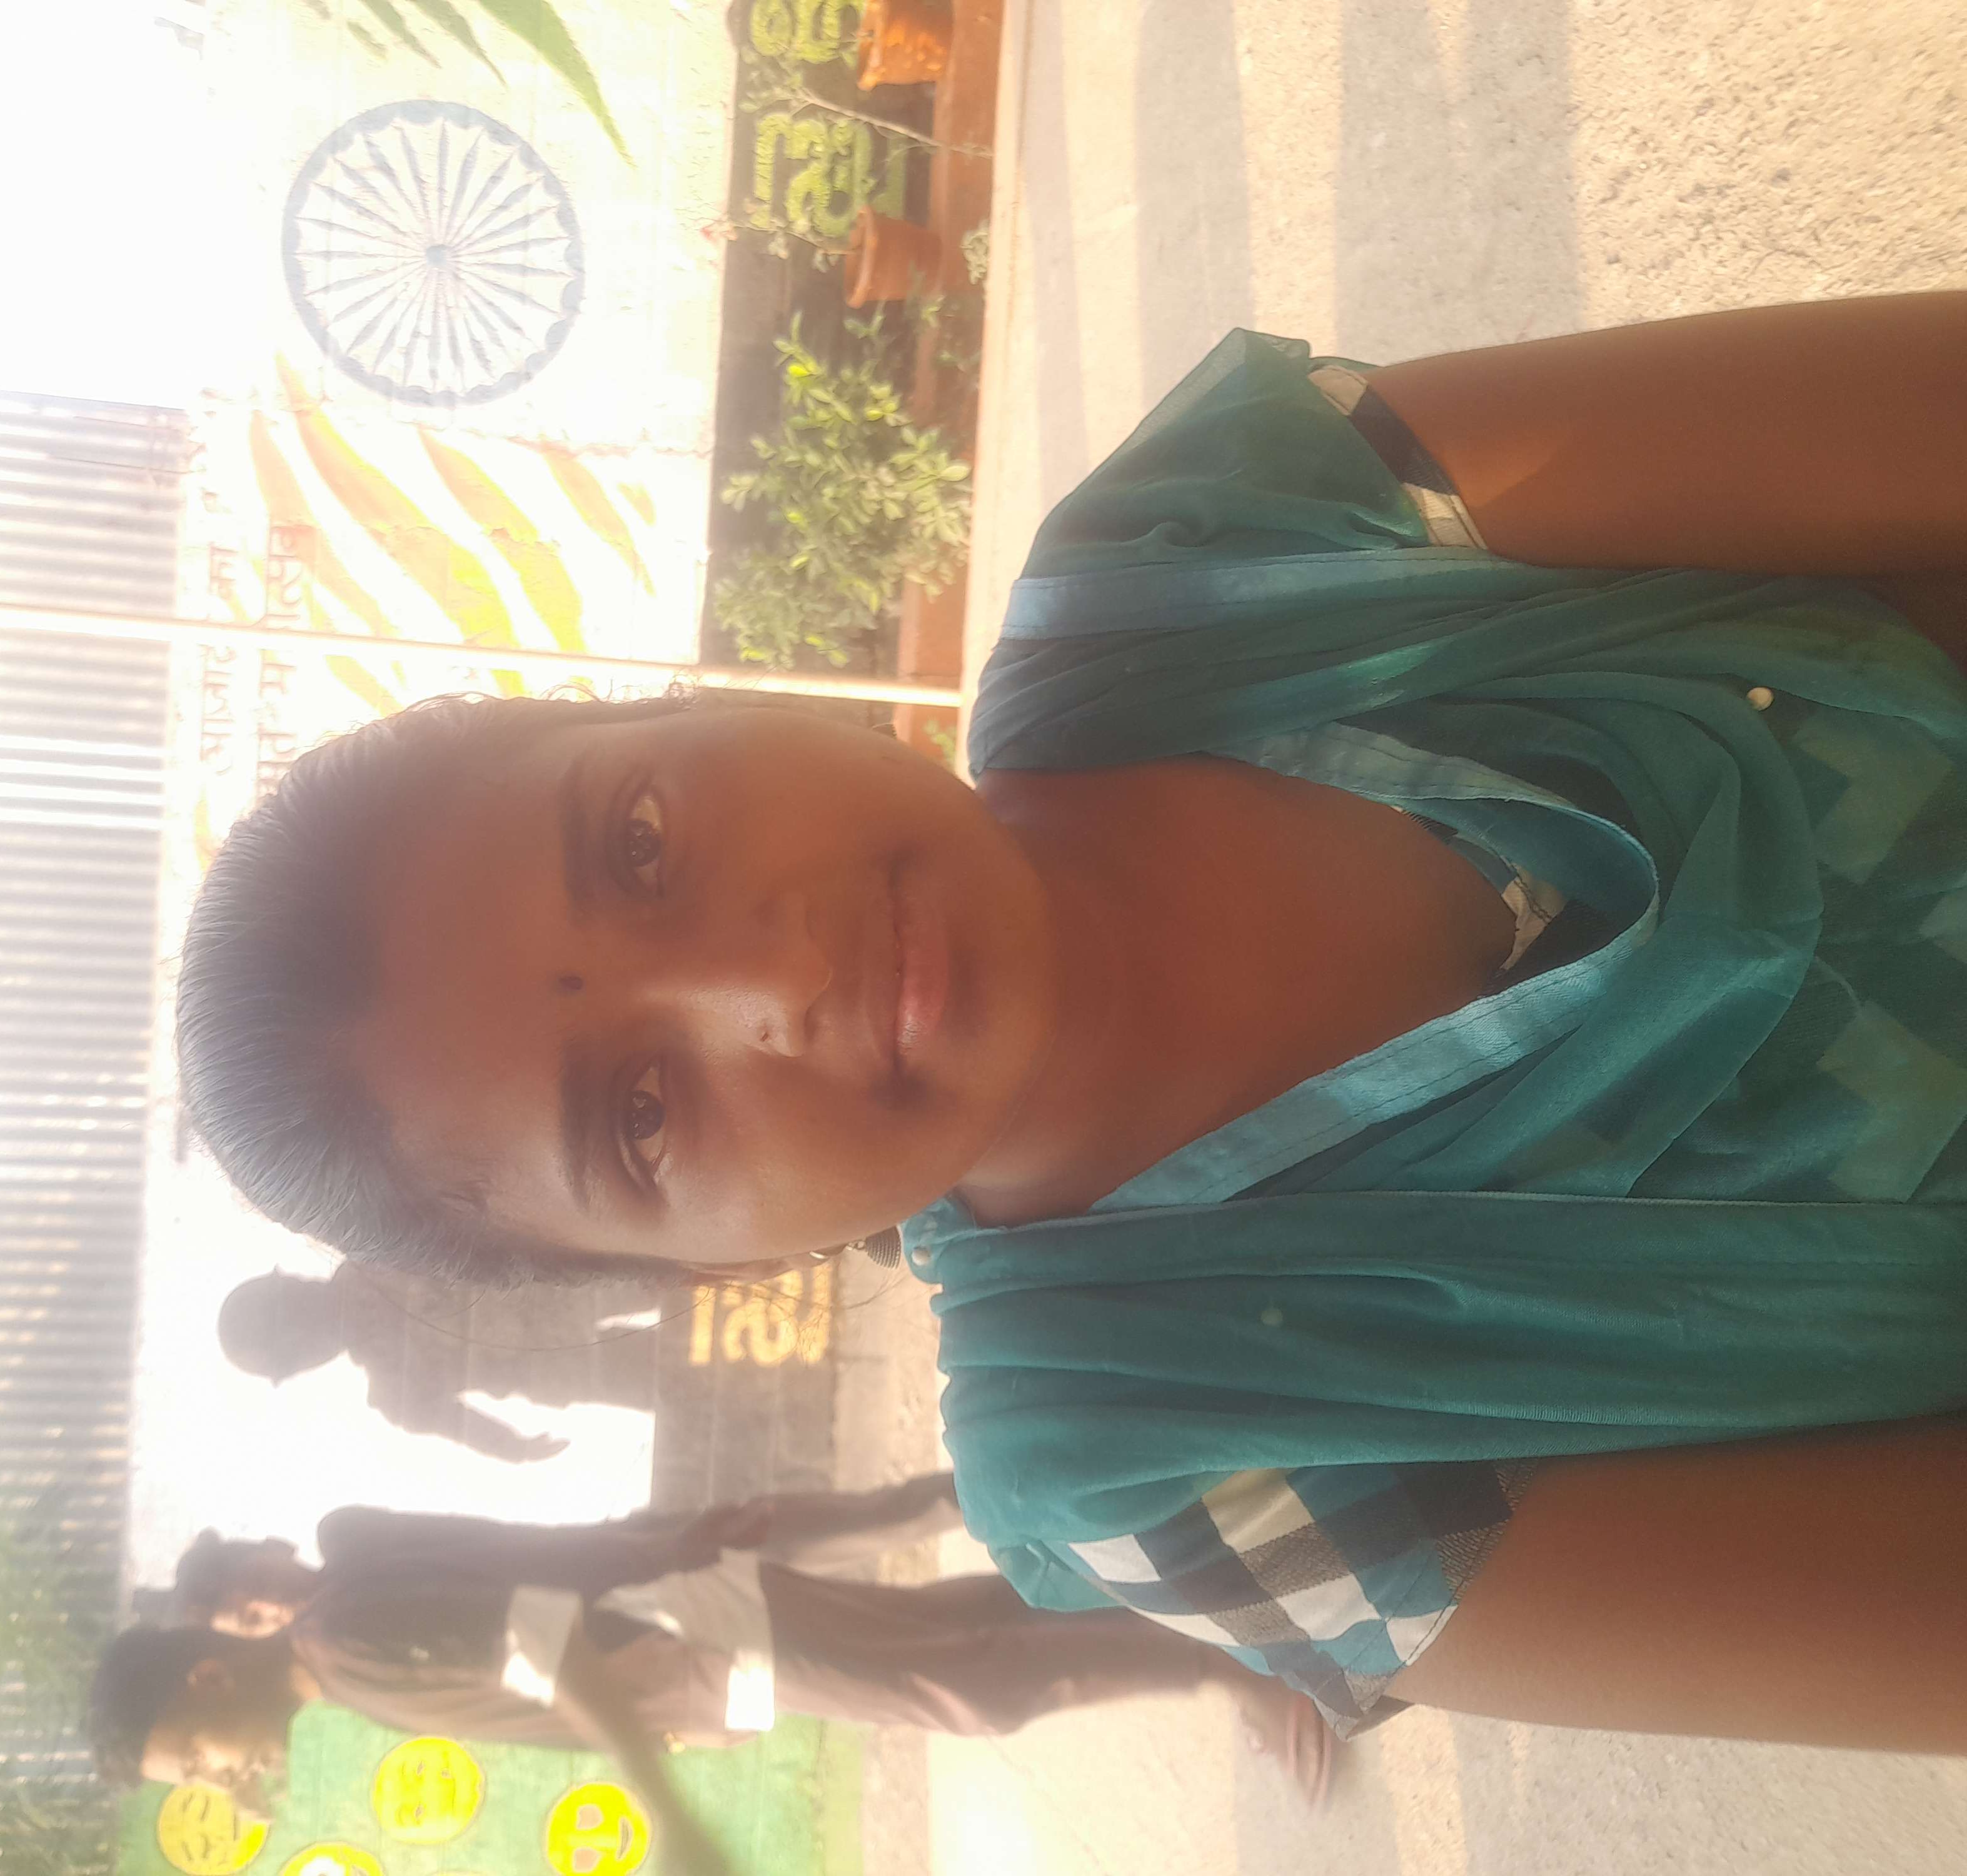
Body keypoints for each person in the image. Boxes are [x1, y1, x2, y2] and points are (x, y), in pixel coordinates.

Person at [171, 295, 1967, 1752]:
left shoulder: (1232, 544)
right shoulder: (1153, 1451)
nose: (767, 981)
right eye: (639, 1115)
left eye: (639, 842)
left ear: (690, 698)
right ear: (714, 1267)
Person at [89, 1476, 1336, 1853]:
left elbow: (550, 1643)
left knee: (966, 1683)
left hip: (687, 1636)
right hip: (683, 1633)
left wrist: (669, 1816)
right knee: (951, 1632)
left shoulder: (346, 1643)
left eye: (195, 1760)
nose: (222, 1780)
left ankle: (1231, 1661)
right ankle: (1207, 1597)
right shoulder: (341, 1638)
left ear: (208, 1678)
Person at [216, 1262, 662, 1463]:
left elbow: (457, 1423)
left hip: (569, 1301)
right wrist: (514, 1448)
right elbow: (458, 1423)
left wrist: (515, 1449)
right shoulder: (374, 1246)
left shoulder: (377, 1249)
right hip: (571, 1323)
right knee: (676, 1335)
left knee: (676, 1339)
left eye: (296, 1358)